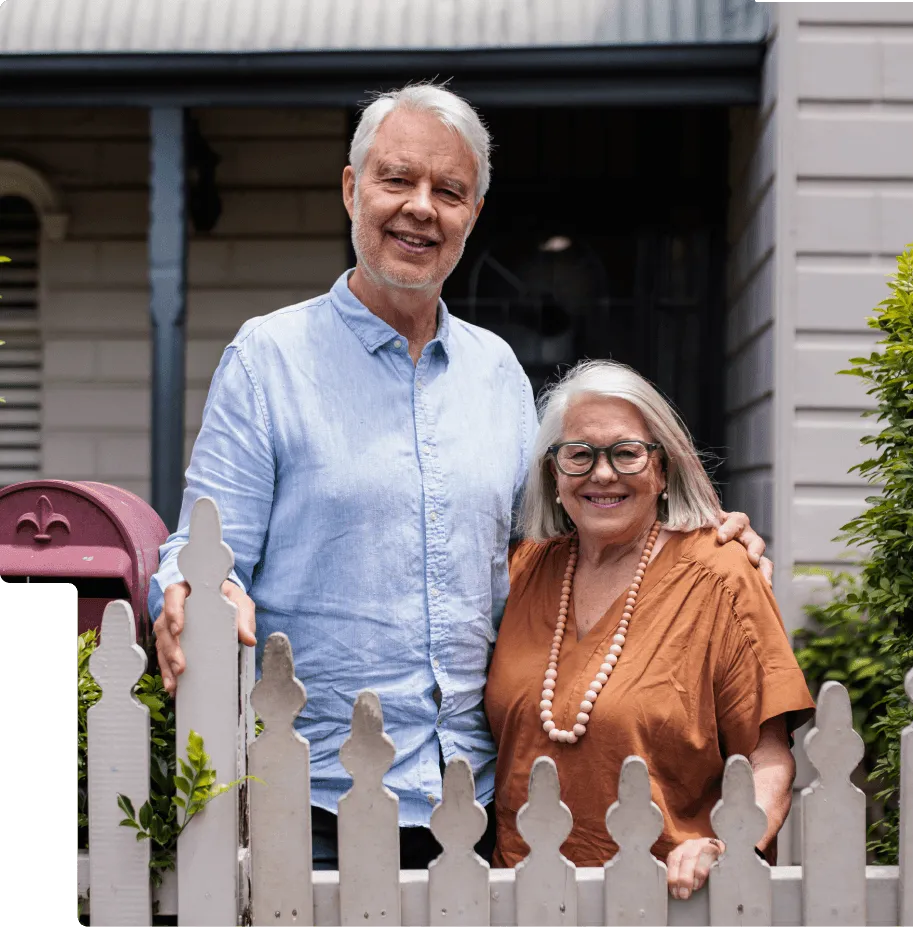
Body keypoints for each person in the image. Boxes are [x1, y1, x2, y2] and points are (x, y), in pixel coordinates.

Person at [147, 82, 772, 870]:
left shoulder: (499, 373)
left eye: (449, 191)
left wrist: (699, 540)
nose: (421, 208)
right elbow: (201, 551)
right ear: (351, 189)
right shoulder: (268, 361)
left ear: (473, 212)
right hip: (310, 800)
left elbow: (569, 539)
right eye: (396, 180)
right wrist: (190, 594)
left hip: (477, 800)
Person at [485, 359, 815, 898]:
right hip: (523, 895)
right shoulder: (521, 573)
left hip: (668, 898)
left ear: (663, 469)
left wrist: (728, 845)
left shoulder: (721, 576)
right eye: (579, 455)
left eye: (627, 452)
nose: (603, 473)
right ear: (554, 473)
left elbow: (768, 756)